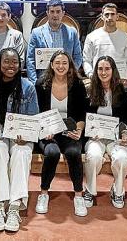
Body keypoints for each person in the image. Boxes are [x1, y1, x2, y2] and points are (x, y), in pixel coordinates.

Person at [0, 47, 39, 232]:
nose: (10, 65)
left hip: (20, 137)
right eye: (6, 61)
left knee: (21, 153)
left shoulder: (28, 87)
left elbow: (33, 118)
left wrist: (27, 134)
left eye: (14, 62)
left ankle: (14, 207)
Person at [34, 50, 88, 217]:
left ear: (70, 65)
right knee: (52, 153)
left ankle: (79, 194)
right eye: (57, 63)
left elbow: (82, 113)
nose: (61, 66)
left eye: (64, 63)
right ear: (51, 65)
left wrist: (79, 130)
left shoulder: (77, 85)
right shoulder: (41, 84)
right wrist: (44, 130)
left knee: (73, 152)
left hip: (69, 131)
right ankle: (43, 193)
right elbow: (36, 112)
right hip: (47, 132)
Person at [83, 56, 127, 209]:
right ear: (96, 71)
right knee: (93, 156)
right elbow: (82, 116)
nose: (103, 72)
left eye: (107, 69)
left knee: (123, 158)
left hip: (115, 138)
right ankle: (89, 190)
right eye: (100, 69)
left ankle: (118, 191)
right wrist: (89, 131)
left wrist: (125, 134)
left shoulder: (122, 90)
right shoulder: (89, 90)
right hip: (95, 137)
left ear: (113, 70)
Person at [26, 0, 82, 84]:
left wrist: (70, 74)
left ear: (63, 13)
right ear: (47, 13)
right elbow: (30, 60)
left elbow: (78, 57)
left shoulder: (72, 32)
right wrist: (35, 83)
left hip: (66, 80)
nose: (55, 15)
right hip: (43, 81)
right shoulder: (36, 33)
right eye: (52, 11)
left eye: (58, 11)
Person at [83, 3, 127, 85]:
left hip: (119, 80)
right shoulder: (92, 37)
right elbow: (86, 60)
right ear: (102, 16)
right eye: (107, 14)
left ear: (117, 16)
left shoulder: (125, 37)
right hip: (99, 80)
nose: (110, 17)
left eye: (112, 14)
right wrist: (91, 75)